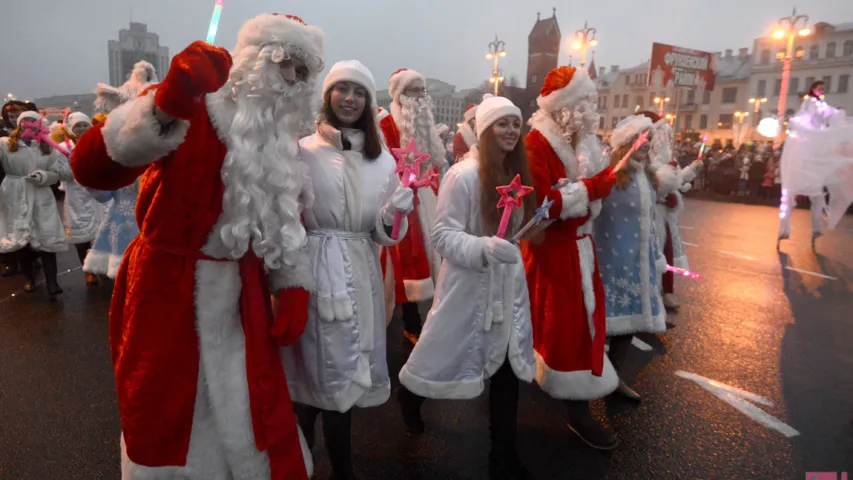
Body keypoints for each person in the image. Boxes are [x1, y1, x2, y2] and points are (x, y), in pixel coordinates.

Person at [70, 13, 325, 479]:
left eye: (302, 72)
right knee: (164, 412)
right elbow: (91, 169)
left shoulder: (282, 139)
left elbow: (284, 219)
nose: (290, 79)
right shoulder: (191, 105)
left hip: (242, 294)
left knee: (251, 410)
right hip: (166, 287)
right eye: (283, 62)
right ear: (252, 60)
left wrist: (291, 281)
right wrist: (166, 103)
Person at [283, 60, 413, 480]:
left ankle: (339, 463)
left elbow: (382, 234)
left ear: (369, 102)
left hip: (360, 270)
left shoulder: (384, 162)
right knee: (312, 371)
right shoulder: (302, 151)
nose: (350, 98)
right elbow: (287, 217)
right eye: (342, 89)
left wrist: (394, 214)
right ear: (328, 96)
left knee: (346, 370)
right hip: (315, 268)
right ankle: (301, 456)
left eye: (358, 92)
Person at [397, 96, 537, 480]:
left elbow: (516, 229)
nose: (511, 131)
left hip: (506, 288)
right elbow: (443, 235)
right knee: (440, 353)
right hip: (468, 287)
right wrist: (482, 247)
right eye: (502, 124)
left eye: (515, 124)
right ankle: (410, 395)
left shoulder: (515, 174)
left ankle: (502, 454)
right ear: (486, 130)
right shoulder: (463, 175)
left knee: (507, 372)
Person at [522, 65, 621, 450]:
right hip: (553, 251)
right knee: (563, 325)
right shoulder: (536, 144)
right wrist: (593, 188)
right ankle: (576, 407)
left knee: (578, 322)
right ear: (565, 107)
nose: (590, 110)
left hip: (580, 247)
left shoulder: (579, 140)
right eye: (585, 102)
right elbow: (541, 205)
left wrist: (602, 183)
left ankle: (559, 379)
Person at [593, 115, 667, 401]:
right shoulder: (611, 174)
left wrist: (655, 254)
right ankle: (590, 377)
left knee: (628, 324)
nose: (647, 145)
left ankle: (615, 378)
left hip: (639, 262)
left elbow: (649, 222)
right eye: (642, 139)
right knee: (602, 322)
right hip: (610, 260)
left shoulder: (647, 176)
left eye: (650, 140)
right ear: (626, 143)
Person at [378, 68, 445, 345]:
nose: (419, 97)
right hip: (401, 199)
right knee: (405, 262)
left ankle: (433, 318)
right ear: (400, 95)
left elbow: (435, 161)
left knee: (435, 258)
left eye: (421, 90)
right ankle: (410, 322)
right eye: (413, 91)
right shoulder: (386, 126)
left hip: (427, 198)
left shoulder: (426, 125)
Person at [78, 62, 158, 279]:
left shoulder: (168, 153)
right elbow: (105, 196)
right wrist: (87, 176)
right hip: (124, 229)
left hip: (160, 229)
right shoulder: (119, 154)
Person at [0, 111, 72, 295]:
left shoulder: (46, 146)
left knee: (47, 237)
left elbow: (58, 172)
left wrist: (44, 176)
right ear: (19, 124)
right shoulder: (5, 144)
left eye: (34, 121)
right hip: (15, 193)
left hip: (41, 195)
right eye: (26, 120)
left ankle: (52, 282)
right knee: (22, 240)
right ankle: (29, 278)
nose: (29, 124)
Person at [777, 80, 853, 250]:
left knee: (817, 196)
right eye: (819, 88)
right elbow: (807, 116)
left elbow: (830, 113)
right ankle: (784, 229)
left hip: (813, 148)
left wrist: (839, 113)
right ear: (813, 89)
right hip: (805, 147)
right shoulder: (809, 103)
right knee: (790, 195)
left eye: (823, 89)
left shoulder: (821, 104)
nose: (821, 91)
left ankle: (816, 228)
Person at [50, 112, 103, 285]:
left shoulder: (98, 142)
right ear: (72, 129)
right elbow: (63, 175)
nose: (81, 128)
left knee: (102, 232)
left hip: (98, 193)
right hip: (76, 196)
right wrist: (74, 164)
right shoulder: (64, 148)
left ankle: (101, 265)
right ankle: (87, 269)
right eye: (77, 126)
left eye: (84, 125)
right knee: (82, 237)